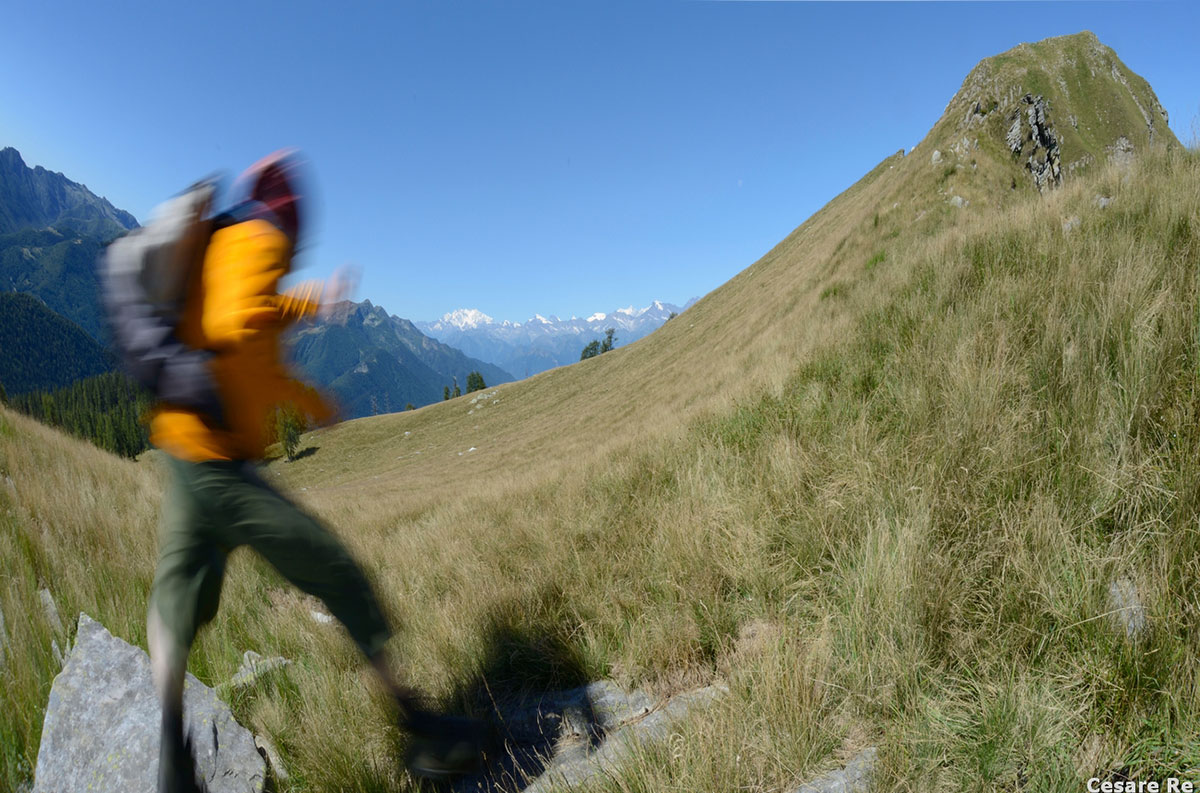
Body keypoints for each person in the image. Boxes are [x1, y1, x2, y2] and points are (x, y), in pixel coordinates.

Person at [138, 151, 483, 791]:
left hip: (182, 454)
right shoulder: (265, 241)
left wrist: (310, 304)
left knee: (175, 596)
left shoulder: (223, 241)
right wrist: (312, 402)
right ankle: (422, 734)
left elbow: (254, 304)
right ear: (291, 223)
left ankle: (170, 757)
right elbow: (240, 324)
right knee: (336, 570)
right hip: (225, 466)